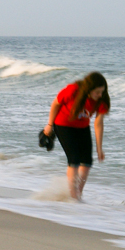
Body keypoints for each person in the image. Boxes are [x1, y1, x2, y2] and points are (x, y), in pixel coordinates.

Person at [43, 72, 110, 200]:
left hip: (82, 127)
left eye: (102, 91)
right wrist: (49, 125)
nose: (100, 95)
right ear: (89, 90)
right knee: (74, 160)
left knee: (87, 162)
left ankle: (77, 195)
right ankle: (73, 198)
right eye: (97, 92)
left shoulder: (102, 99)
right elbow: (56, 104)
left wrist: (99, 148)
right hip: (63, 124)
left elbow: (98, 124)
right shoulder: (72, 90)